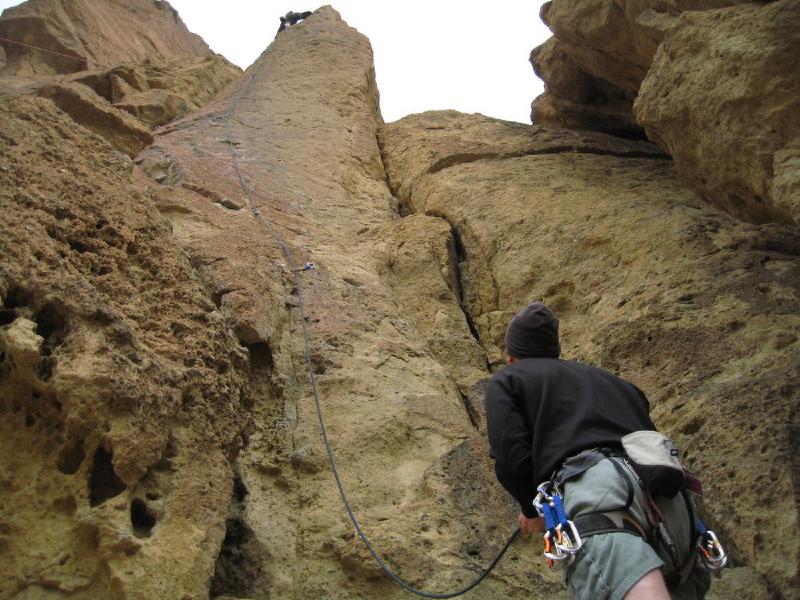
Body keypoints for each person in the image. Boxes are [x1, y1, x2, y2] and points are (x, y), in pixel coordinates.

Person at [485, 302, 710, 600]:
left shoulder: (509, 379)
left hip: (599, 491)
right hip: (671, 498)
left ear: (512, 357)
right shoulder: (616, 382)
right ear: (554, 350)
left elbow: (511, 457)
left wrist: (532, 509)